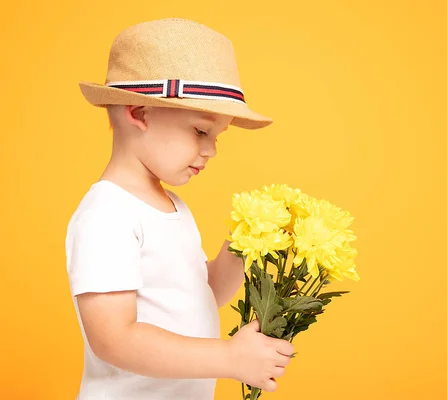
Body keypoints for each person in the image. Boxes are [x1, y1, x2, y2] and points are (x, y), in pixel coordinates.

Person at [65, 18, 293, 400]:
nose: (212, 150)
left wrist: (245, 242)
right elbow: (114, 339)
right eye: (201, 131)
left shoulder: (172, 206)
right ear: (139, 113)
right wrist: (228, 357)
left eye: (218, 137)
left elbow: (202, 294)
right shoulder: (107, 214)